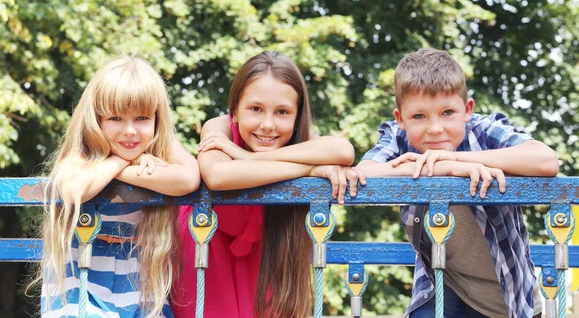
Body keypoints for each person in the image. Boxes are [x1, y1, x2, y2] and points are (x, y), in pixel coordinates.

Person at [354, 48, 558, 318]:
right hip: (445, 284)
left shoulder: (483, 131)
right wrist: (448, 168)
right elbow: (364, 175)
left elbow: (546, 160)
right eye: (419, 116)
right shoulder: (397, 137)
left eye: (448, 112)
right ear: (400, 118)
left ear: (467, 109)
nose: (435, 128)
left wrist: (456, 158)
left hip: (509, 296)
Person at [170, 51, 361, 318]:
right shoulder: (219, 127)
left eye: (282, 112)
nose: (268, 124)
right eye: (255, 109)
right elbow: (217, 176)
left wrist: (248, 157)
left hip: (266, 257)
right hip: (205, 250)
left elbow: (343, 150)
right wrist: (310, 169)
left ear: (296, 117)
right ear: (235, 109)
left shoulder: (304, 140)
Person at [38, 56, 200, 317]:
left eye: (141, 118)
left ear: (157, 120)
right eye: (115, 118)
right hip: (83, 278)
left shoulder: (160, 142)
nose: (130, 131)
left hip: (138, 279)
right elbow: (75, 188)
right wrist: (121, 161)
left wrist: (123, 167)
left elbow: (188, 180)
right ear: (96, 119)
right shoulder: (83, 151)